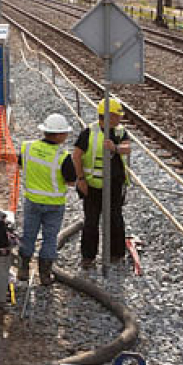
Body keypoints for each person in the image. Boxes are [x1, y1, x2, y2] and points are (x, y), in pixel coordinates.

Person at [18, 113, 77, 285]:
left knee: (28, 234)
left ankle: (23, 269)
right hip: (54, 205)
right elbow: (71, 181)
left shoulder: (27, 147)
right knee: (50, 238)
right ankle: (44, 275)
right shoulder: (63, 156)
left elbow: (21, 164)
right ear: (58, 134)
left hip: (32, 201)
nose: (66, 136)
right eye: (65, 133)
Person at [72, 98, 131, 269]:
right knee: (91, 221)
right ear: (107, 115)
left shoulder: (119, 132)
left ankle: (116, 254)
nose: (120, 119)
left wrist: (116, 148)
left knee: (115, 219)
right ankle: (88, 257)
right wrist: (81, 179)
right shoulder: (89, 132)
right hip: (92, 187)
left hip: (114, 185)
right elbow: (76, 156)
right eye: (117, 115)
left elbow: (127, 148)